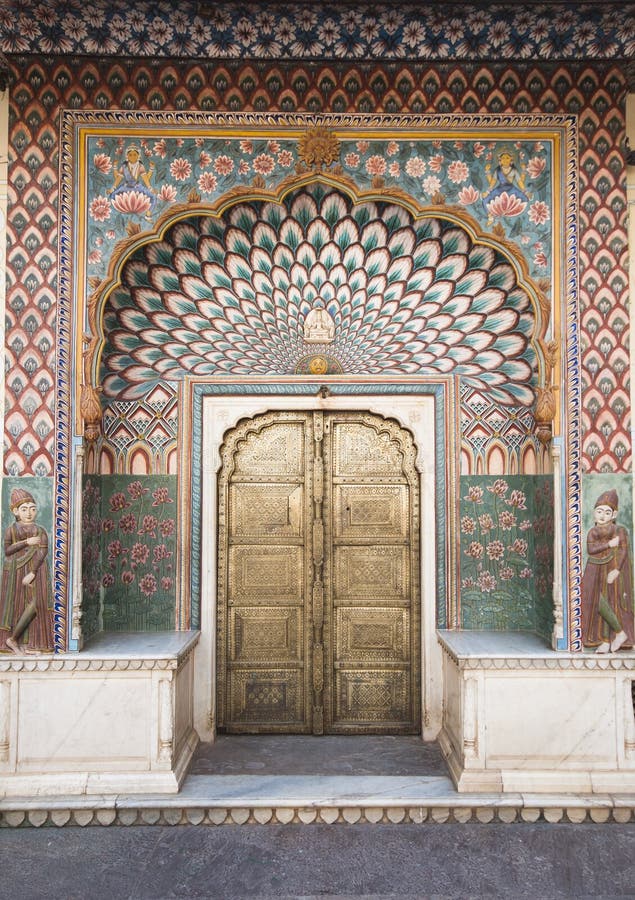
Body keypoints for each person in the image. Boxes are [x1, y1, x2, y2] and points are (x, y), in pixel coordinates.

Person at [0, 489, 54, 654]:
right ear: (15, 511)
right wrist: (26, 542)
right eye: (24, 509)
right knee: (17, 605)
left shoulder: (40, 531)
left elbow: (43, 551)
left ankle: (27, 642)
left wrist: (32, 572)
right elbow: (8, 550)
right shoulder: (11, 529)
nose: (29, 512)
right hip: (15, 570)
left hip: (36, 570)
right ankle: (15, 641)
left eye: (32, 508)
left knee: (37, 604)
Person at [581, 489, 634, 653]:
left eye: (607, 512)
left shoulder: (620, 531)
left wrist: (617, 570)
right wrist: (609, 545)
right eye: (599, 511)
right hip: (594, 569)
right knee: (595, 601)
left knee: (610, 601)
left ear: (614, 514)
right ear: (594, 513)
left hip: (612, 568)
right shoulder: (593, 532)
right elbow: (591, 549)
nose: (602, 515)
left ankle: (613, 637)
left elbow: (624, 551)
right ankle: (608, 637)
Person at [109, 144, 156, 219]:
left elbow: (145, 178)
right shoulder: (124, 166)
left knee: (153, 197)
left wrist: (151, 170)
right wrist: (112, 188)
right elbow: (118, 178)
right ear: (127, 156)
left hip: (137, 186)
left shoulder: (140, 166)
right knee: (112, 196)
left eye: (135, 155)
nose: (132, 157)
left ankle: (148, 214)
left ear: (138, 156)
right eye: (130, 155)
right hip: (126, 186)